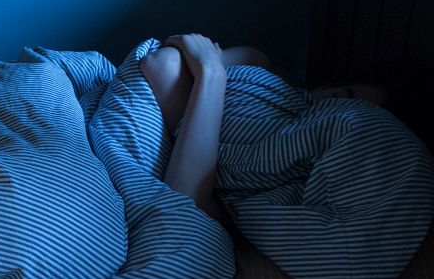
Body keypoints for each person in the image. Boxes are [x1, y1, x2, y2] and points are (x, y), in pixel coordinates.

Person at [139, 33, 389, 221]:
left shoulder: (296, 171)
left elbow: (183, 204)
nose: (337, 113)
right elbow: (164, 62)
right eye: (344, 97)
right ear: (328, 86)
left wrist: (211, 72)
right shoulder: (256, 61)